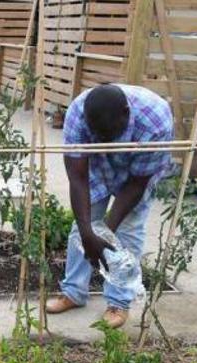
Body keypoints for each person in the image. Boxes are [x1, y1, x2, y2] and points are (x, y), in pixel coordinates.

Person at [45, 84, 174, 329]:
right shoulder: (77, 115)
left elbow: (137, 184)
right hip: (98, 165)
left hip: (138, 169)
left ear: (126, 113)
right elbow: (78, 177)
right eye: (99, 134)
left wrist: (105, 234)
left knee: (128, 232)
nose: (104, 138)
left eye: (109, 133)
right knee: (82, 226)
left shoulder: (156, 122)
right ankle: (73, 292)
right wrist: (88, 233)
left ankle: (118, 302)